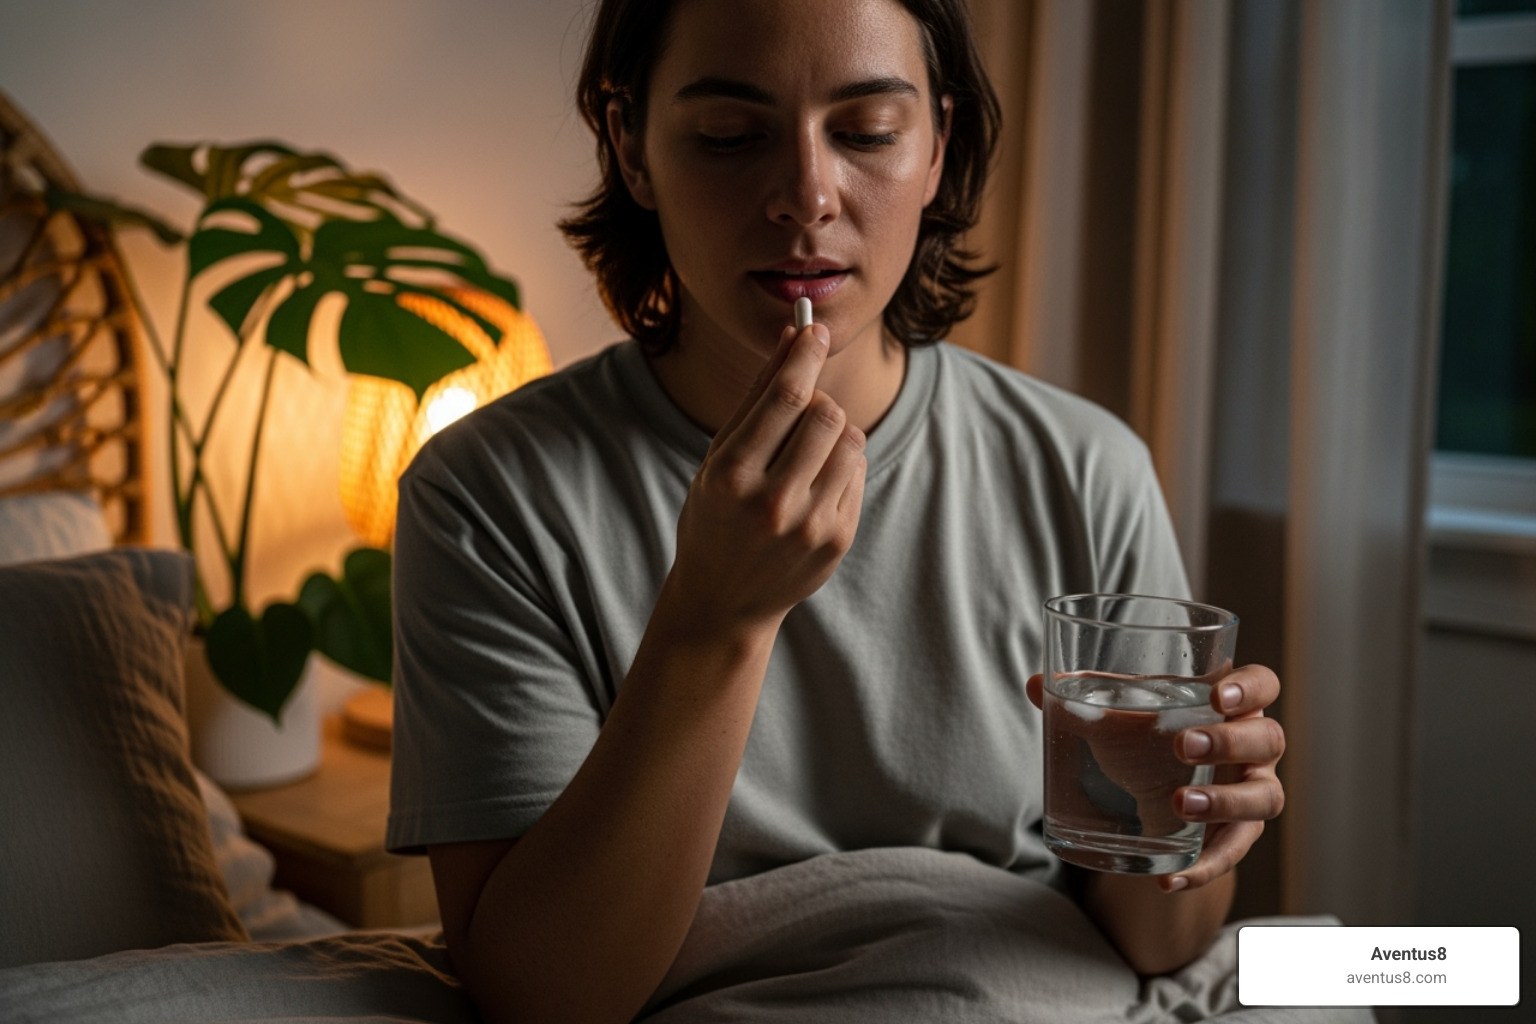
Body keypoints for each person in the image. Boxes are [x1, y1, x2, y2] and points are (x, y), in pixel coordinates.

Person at [385, 2, 1287, 1022]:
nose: (806, 196)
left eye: (865, 133)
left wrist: (1183, 819)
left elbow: (1160, 941)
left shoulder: (1086, 470)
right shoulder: (486, 497)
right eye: (733, 136)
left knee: (1444, 968)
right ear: (630, 145)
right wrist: (714, 620)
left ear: (939, 146)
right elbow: (546, 996)